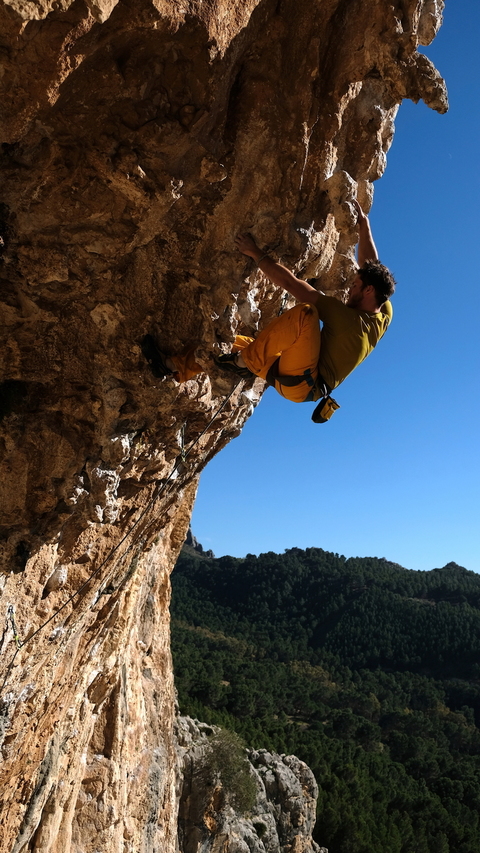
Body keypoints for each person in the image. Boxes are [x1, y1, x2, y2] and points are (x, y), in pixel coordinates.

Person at [141, 200, 395, 411]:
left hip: (302, 383)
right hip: (295, 376)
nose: (350, 288)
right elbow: (371, 265)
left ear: (369, 290)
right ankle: (173, 366)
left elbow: (293, 285)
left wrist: (256, 253)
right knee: (228, 342)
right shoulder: (384, 312)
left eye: (355, 284)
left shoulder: (344, 318)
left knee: (305, 313)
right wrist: (364, 226)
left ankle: (244, 363)